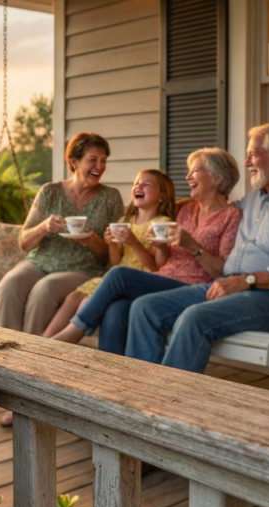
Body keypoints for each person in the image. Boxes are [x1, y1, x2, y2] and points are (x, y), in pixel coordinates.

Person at [125, 123, 269, 374]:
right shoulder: (253, 200)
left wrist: (246, 280)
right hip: (229, 287)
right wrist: (180, 204)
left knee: (195, 318)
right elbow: (215, 204)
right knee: (145, 307)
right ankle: (138, 388)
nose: (247, 163)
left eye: (253, 154)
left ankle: (168, 399)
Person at [49, 148, 243, 356]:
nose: (187, 177)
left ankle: (73, 331)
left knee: (119, 275)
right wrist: (160, 247)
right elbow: (163, 256)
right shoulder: (186, 211)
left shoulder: (231, 216)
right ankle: (109, 375)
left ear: (216, 177)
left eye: (194, 171)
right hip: (163, 279)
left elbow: (224, 271)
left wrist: (195, 248)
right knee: (116, 309)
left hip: (193, 287)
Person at [0, 132, 124, 335]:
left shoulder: (111, 198)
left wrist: (94, 242)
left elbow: (116, 254)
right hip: (39, 262)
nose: (99, 167)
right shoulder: (49, 192)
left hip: (83, 269)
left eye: (103, 161)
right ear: (74, 161)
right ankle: (3, 347)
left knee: (45, 289)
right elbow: (24, 242)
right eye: (93, 160)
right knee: (10, 284)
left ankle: (32, 356)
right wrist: (44, 226)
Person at [41, 169, 177, 338]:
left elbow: (155, 266)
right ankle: (43, 339)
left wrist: (134, 243)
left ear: (162, 196)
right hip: (115, 277)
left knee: (85, 302)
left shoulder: (161, 224)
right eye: (136, 183)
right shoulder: (124, 221)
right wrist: (111, 244)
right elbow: (116, 262)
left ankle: (60, 342)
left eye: (146, 184)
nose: (138, 186)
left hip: (140, 279)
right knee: (74, 297)